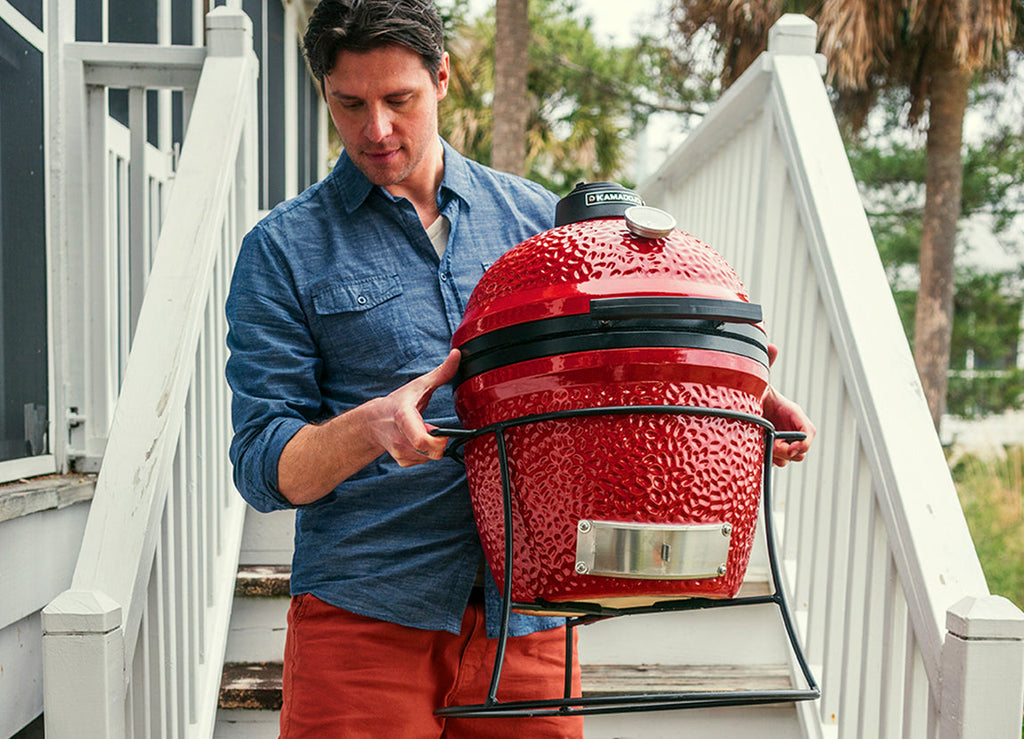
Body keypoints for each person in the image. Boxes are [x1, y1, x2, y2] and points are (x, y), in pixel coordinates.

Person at [225, 0, 815, 736]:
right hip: (366, 616)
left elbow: (630, 365)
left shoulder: (543, 224)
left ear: (442, 79)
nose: (375, 129)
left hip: (532, 622)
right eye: (350, 104)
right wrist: (374, 426)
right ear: (325, 95)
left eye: (398, 99)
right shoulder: (281, 249)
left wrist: (743, 402)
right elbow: (262, 463)